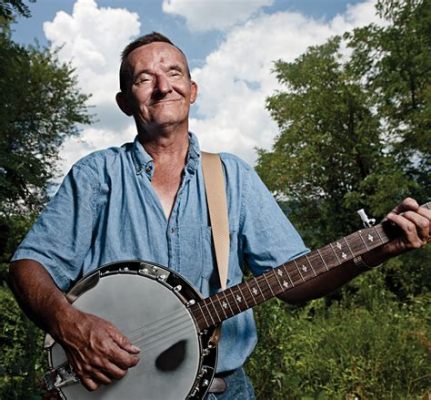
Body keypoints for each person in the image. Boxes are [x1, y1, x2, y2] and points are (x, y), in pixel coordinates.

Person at [8, 32, 431, 399]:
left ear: (192, 90)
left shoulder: (232, 177)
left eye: (174, 73)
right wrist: (70, 325)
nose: (162, 86)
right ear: (124, 102)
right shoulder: (95, 175)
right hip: (111, 391)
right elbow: (28, 266)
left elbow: (293, 280)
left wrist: (376, 248)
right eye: (143, 78)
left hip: (223, 393)